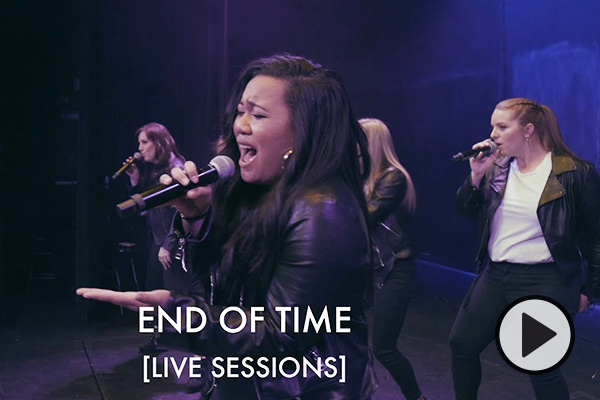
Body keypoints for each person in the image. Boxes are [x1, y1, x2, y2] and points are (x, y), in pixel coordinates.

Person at [78, 54, 377, 399]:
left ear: (303, 131)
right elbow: (223, 292)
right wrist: (197, 218)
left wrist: (174, 312)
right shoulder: (262, 194)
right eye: (240, 111)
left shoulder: (322, 211)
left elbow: (278, 335)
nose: (241, 125)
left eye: (258, 115)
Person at [449, 98, 600, 399]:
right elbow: (464, 210)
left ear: (528, 129)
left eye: (502, 127)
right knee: (462, 345)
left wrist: (590, 289)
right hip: (495, 274)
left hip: (543, 279)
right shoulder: (497, 169)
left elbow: (597, 237)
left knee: (539, 365)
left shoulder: (574, 173)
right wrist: (476, 176)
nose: (493, 134)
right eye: (493, 126)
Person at [360, 118, 426, 400]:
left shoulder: (393, 177)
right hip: (369, 270)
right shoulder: (362, 177)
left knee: (384, 347)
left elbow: (366, 216)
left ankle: (416, 398)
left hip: (395, 270)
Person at [125, 122, 185, 292]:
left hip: (171, 242)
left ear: (158, 143)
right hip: (158, 239)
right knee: (153, 293)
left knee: (170, 297)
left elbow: (181, 211)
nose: (140, 148)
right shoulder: (154, 170)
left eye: (144, 142)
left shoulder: (176, 168)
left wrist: (168, 244)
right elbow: (145, 205)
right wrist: (135, 179)